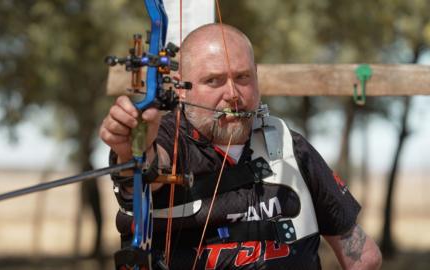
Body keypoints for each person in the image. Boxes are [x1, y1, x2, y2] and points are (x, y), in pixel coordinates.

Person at [99, 23, 382, 270]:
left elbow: (363, 257)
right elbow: (147, 166)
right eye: (214, 80)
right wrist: (131, 147)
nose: (232, 94)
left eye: (243, 77)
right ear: (180, 87)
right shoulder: (166, 140)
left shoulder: (288, 145)